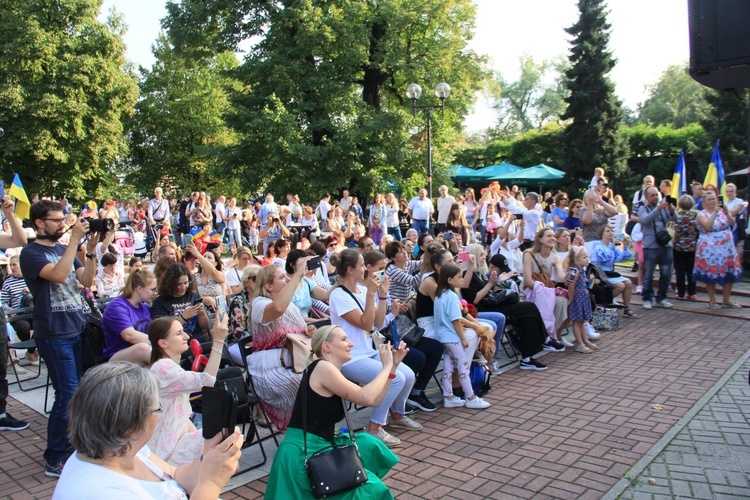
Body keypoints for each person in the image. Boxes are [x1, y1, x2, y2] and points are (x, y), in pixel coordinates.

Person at [53, 362, 242, 499]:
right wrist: (211, 484)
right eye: (157, 408)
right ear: (132, 425)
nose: (158, 415)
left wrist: (209, 455)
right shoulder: (100, 493)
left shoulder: (124, 449)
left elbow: (176, 477)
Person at [265, 326, 401, 499]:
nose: (351, 344)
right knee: (370, 491)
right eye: (344, 339)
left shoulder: (329, 370)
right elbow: (366, 397)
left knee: (370, 445)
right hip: (301, 452)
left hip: (320, 444)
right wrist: (386, 365)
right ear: (327, 347)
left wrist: (392, 368)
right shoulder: (322, 367)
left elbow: (375, 400)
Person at [20, 200, 97, 475]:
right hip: (53, 333)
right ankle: (55, 456)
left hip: (75, 327)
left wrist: (91, 251)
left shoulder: (65, 249)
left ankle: (70, 446)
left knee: (74, 394)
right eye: (56, 220)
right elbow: (59, 275)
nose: (62, 224)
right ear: (40, 223)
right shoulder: (30, 253)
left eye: (63, 220)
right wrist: (74, 239)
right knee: (67, 394)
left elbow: (86, 280)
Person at [328, 249, 419, 447]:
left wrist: (383, 296)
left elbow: (377, 324)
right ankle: (374, 427)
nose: (365, 269)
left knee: (409, 375)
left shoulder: (361, 289)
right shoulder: (338, 295)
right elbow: (366, 324)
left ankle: (397, 414)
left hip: (368, 351)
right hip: (349, 357)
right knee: (395, 380)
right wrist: (372, 294)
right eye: (361, 265)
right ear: (351, 270)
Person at [147, 315, 228, 466]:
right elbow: (207, 380)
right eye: (179, 334)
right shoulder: (162, 367)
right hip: (165, 453)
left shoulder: (168, 366)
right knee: (224, 436)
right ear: (162, 343)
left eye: (183, 331)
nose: (186, 336)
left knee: (224, 437)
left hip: (170, 447)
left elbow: (182, 417)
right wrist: (218, 340)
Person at [248, 264, 316, 430]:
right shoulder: (259, 303)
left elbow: (296, 329)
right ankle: (304, 431)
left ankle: (314, 429)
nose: (287, 280)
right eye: (282, 278)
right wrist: (297, 275)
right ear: (268, 286)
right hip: (271, 367)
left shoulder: (289, 305)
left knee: (323, 379)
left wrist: (307, 330)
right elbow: (277, 309)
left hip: (295, 361)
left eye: (287, 277)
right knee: (308, 386)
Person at [434, 263, 491, 409]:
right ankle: (470, 397)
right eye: (459, 277)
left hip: (442, 336)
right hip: (452, 337)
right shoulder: (452, 296)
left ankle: (448, 396)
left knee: (448, 367)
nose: (461, 279)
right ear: (449, 279)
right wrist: (463, 338)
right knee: (463, 366)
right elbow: (455, 319)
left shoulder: (439, 295)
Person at [694, 190, 743, 309]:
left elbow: (732, 223)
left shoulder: (722, 212)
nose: (712, 201)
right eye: (709, 199)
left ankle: (726, 300)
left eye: (714, 199)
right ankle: (712, 300)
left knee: (728, 271)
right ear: (704, 202)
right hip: (710, 250)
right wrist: (715, 213)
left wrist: (727, 213)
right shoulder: (701, 214)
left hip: (726, 248)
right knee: (711, 273)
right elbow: (708, 226)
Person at [522, 228, 569, 343]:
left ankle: (553, 334)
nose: (552, 238)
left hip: (545, 290)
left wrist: (567, 277)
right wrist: (544, 292)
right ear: (540, 239)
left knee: (562, 301)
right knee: (549, 301)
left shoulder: (555, 257)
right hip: (531, 290)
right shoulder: (529, 254)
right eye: (549, 236)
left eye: (553, 236)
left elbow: (561, 275)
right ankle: (544, 335)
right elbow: (527, 280)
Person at [101, 270, 156, 365]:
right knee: (143, 349)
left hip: (141, 354)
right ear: (139, 289)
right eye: (153, 289)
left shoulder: (145, 307)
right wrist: (160, 341)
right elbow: (129, 336)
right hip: (114, 358)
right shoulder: (116, 306)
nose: (156, 292)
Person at [151, 263, 212, 343]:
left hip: (199, 341)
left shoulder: (193, 296)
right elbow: (163, 331)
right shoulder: (160, 302)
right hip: (176, 344)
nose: (183, 287)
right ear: (170, 284)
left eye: (185, 283)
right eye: (179, 284)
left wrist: (202, 314)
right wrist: (183, 317)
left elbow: (205, 326)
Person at [637, 186, 675, 310]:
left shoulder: (663, 207)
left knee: (666, 273)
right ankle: (647, 298)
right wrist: (658, 209)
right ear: (646, 197)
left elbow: (675, 219)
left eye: (656, 195)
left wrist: (672, 211)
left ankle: (662, 298)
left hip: (665, 244)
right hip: (651, 246)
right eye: (652, 195)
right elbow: (645, 220)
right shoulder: (642, 208)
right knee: (648, 274)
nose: (655, 197)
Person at [589, 226, 638, 318]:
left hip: (609, 273)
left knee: (628, 283)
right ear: (602, 234)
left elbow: (621, 258)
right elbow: (604, 258)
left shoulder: (611, 246)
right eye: (607, 231)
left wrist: (625, 246)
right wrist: (614, 245)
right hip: (600, 273)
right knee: (620, 286)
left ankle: (627, 309)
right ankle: (600, 302)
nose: (610, 232)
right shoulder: (598, 246)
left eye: (611, 230)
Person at [565, 247, 598, 353]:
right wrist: (570, 299)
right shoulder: (574, 270)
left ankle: (585, 341)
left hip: (582, 297)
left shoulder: (581, 270)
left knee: (582, 321)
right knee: (577, 322)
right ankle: (580, 344)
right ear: (576, 260)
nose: (587, 259)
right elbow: (570, 285)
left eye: (587, 257)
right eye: (584, 257)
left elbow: (582, 282)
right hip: (577, 298)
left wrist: (589, 280)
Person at [672, 195, 699, 301]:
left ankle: (680, 293)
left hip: (678, 247)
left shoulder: (676, 215)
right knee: (691, 270)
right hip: (692, 247)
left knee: (680, 271)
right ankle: (692, 293)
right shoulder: (696, 215)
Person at [580, 190, 618, 254]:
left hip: (605, 241)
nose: (592, 199)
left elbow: (614, 212)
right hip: (591, 242)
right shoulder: (583, 211)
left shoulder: (601, 210)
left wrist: (600, 201)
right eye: (589, 197)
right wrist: (590, 204)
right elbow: (588, 221)